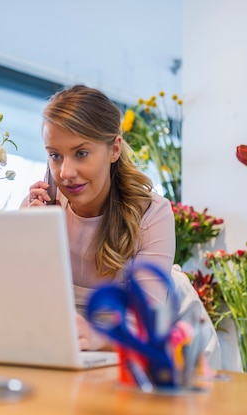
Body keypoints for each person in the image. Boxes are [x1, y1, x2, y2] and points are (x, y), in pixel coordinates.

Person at [22, 85, 220, 369]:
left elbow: (148, 322)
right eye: (55, 155)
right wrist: (34, 236)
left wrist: (95, 336)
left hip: (158, 358)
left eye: (81, 153)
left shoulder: (151, 213)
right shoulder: (37, 208)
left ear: (114, 149)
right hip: (74, 354)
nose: (65, 173)